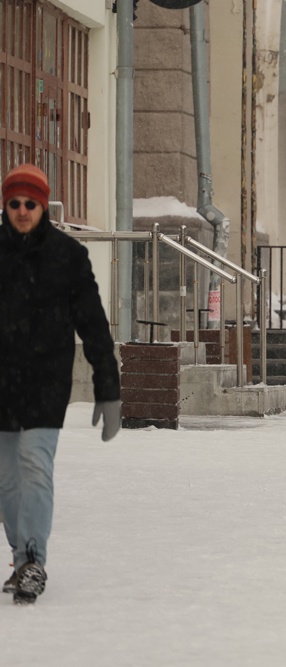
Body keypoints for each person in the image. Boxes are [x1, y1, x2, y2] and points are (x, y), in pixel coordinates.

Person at [0, 163, 121, 605]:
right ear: (5, 205)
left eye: (30, 203)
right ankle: (20, 557)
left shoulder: (68, 256)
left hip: (46, 382)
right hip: (1, 386)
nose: (22, 210)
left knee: (35, 466)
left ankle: (34, 560)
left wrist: (108, 388)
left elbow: (92, 322)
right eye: (14, 203)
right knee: (7, 481)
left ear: (43, 205)